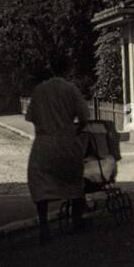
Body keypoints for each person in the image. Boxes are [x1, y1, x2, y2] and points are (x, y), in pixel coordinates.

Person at [25, 72, 91, 244]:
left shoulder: (39, 90)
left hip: (44, 143)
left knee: (39, 181)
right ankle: (77, 221)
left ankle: (44, 227)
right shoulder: (71, 89)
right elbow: (84, 117)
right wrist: (73, 131)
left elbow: (31, 116)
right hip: (67, 141)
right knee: (75, 180)